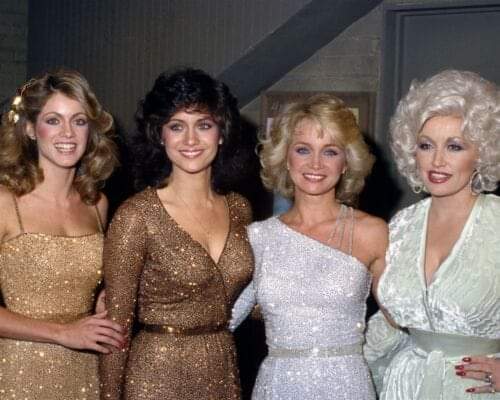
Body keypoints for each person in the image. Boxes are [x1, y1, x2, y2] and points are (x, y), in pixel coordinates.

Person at [99, 68, 254, 400]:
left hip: (222, 371)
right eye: (176, 126)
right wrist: (110, 396)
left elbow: (246, 298)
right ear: (160, 135)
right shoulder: (136, 215)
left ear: (222, 132)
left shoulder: (240, 209)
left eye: (204, 125)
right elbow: (116, 327)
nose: (191, 140)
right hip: (156, 375)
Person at [230, 94, 387, 399]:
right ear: (285, 158)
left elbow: (406, 318)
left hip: (347, 386)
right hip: (278, 386)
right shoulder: (257, 237)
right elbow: (220, 320)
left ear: (346, 163)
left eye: (330, 151)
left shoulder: (372, 232)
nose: (315, 163)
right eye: (303, 149)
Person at [366, 70, 500, 399]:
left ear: (481, 152)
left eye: (454, 146)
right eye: (426, 146)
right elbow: (390, 323)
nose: (437, 161)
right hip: (405, 386)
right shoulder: (401, 226)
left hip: (476, 391)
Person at [0, 70, 124, 400]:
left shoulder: (97, 203)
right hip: (20, 373)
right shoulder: (5, 201)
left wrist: (104, 301)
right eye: (53, 120)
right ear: (30, 128)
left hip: (85, 370)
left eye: (79, 121)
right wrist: (63, 333)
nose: (67, 133)